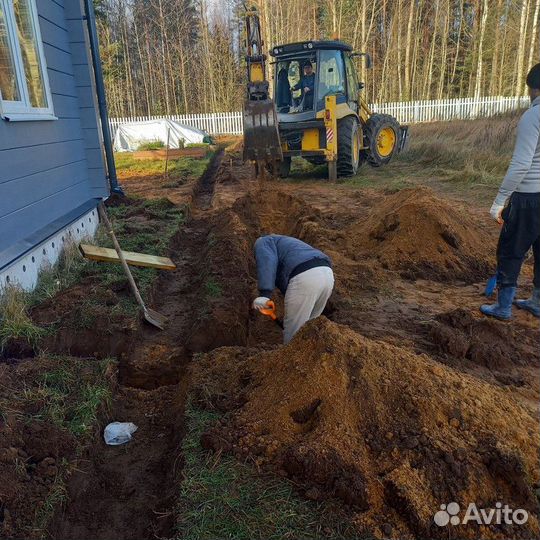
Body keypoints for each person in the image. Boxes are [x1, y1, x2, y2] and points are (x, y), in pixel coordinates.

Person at [481, 63, 540, 320]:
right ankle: (537, 301)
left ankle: (503, 307)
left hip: (528, 197)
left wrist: (500, 201)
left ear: (532, 88)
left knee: (511, 249)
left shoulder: (532, 116)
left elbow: (521, 165)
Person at [252, 235, 334, 343]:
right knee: (309, 329)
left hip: (306, 277)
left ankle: (292, 358)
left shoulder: (263, 241)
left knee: (292, 338)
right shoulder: (288, 243)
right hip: (327, 275)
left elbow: (267, 261)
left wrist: (264, 294)